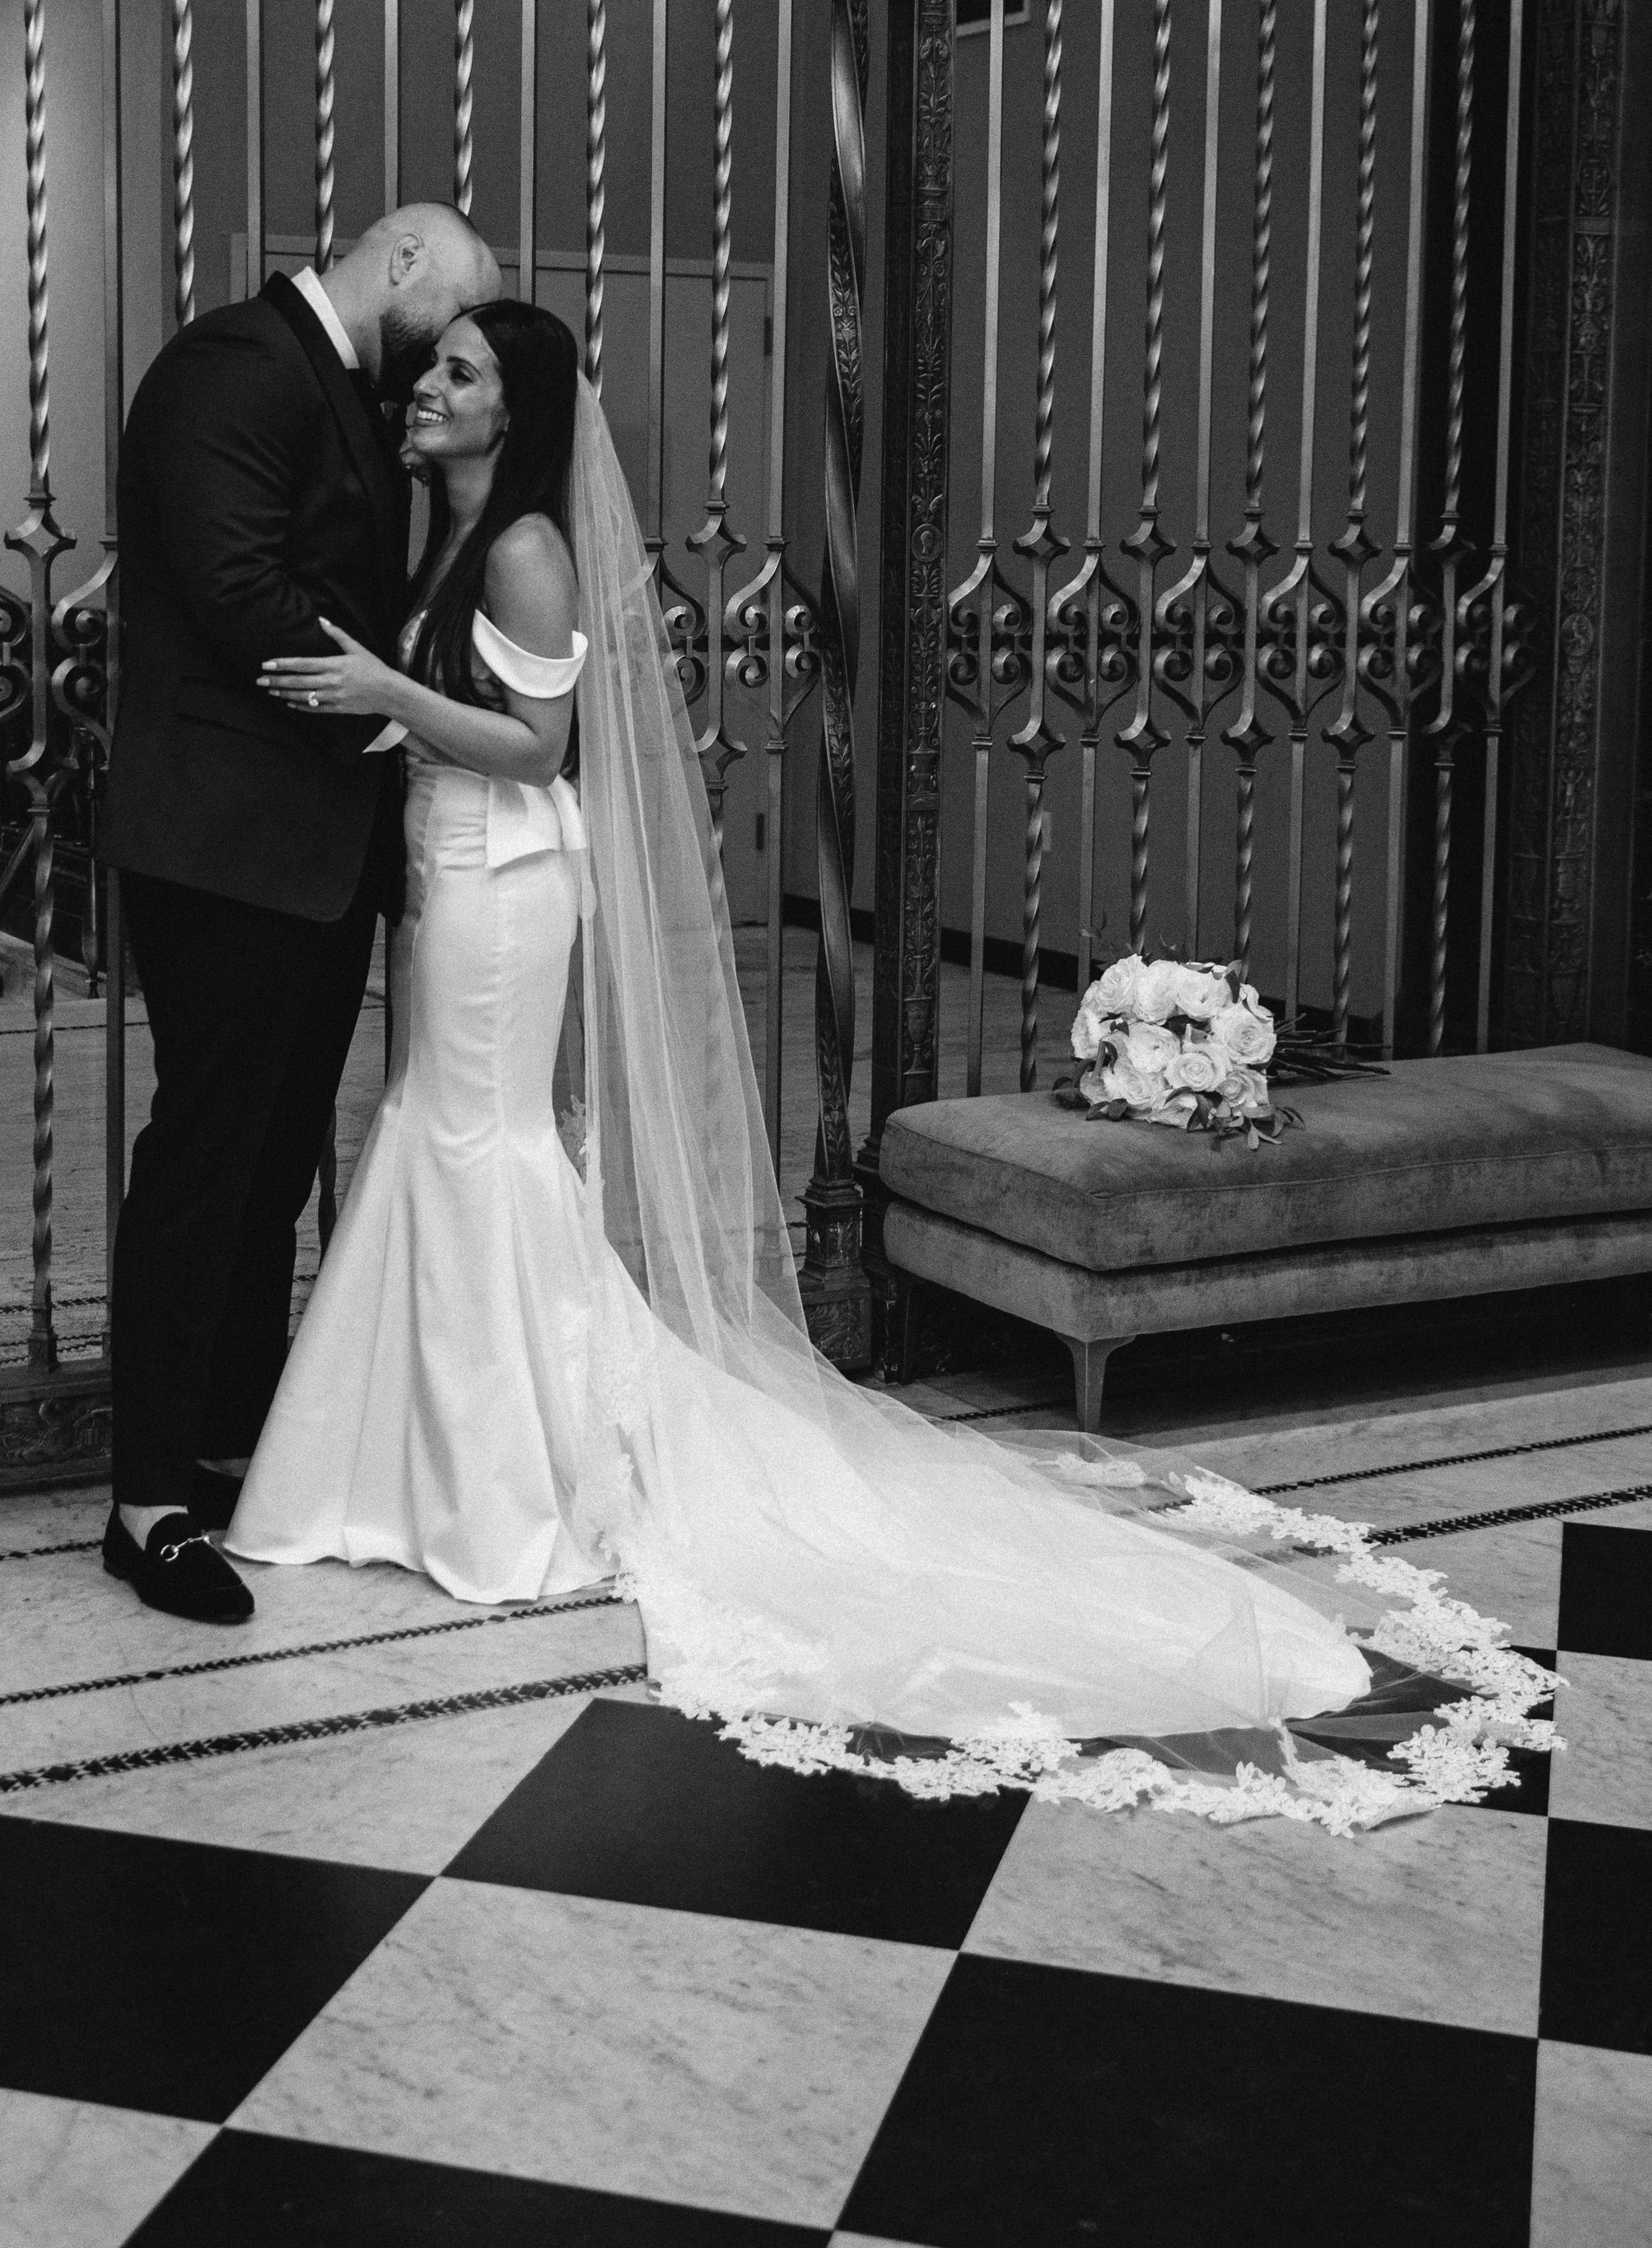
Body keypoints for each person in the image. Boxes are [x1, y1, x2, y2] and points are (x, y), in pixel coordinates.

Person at [227, 305, 1554, 1826]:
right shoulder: (444, 538)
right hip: (449, 868)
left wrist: (394, 703)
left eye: (461, 369)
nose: (429, 387)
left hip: (506, 881)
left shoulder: (523, 542)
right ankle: (420, 1463)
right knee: (439, 1131)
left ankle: (503, 1483)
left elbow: (540, 743)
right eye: (435, 364)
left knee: (478, 1140)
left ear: (510, 408)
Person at [97, 203, 499, 1625]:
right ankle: (145, 1498)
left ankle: (223, 1444)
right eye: (440, 321)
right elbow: (239, 592)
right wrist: (407, 728)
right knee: (209, 1157)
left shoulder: (330, 385)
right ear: (398, 264)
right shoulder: (231, 366)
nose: (437, 360)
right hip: (225, 848)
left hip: (311, 853)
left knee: (272, 1165)